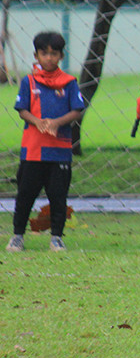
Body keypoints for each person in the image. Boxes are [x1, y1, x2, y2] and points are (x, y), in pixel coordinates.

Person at [7, 32, 85, 253]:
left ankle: (57, 238)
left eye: (54, 53)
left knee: (58, 197)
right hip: (32, 151)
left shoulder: (69, 83)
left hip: (59, 152)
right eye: (44, 53)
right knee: (25, 195)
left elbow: (77, 111)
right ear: (36, 55)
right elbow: (22, 110)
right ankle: (17, 236)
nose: (49, 58)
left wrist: (57, 123)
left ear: (61, 55)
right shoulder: (28, 81)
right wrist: (38, 122)